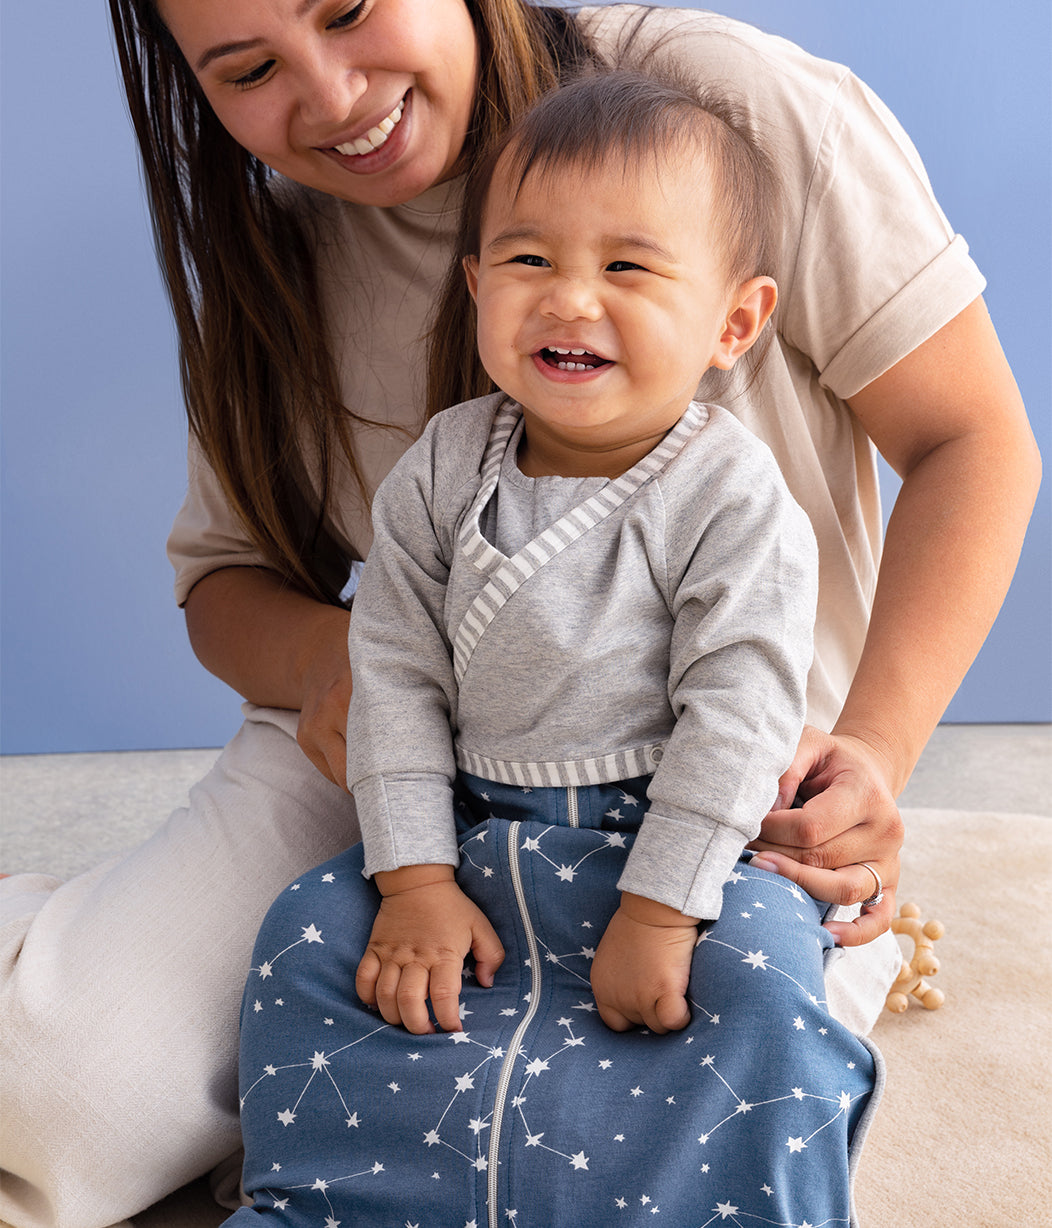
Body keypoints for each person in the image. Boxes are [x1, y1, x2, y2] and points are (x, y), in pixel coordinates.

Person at [0, 2, 1039, 1225]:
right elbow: (223, 583)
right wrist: (368, 686)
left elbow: (971, 441)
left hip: (724, 781)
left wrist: (869, 753)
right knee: (59, 1106)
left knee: (630, 1118)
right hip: (398, 745)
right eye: (249, 69)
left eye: (348, 8)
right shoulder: (326, 313)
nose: (332, 96)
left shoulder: (716, 109)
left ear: (731, 321)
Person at [223, 72, 878, 1227]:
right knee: (308, 936)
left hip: (674, 848)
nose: (569, 299)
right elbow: (394, 674)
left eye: (625, 268)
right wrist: (415, 877)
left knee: (769, 977)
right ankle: (339, 1199)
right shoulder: (442, 465)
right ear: (475, 284)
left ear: (732, 321)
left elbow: (735, 713)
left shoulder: (728, 495)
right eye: (527, 262)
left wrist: (665, 911)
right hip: (478, 844)